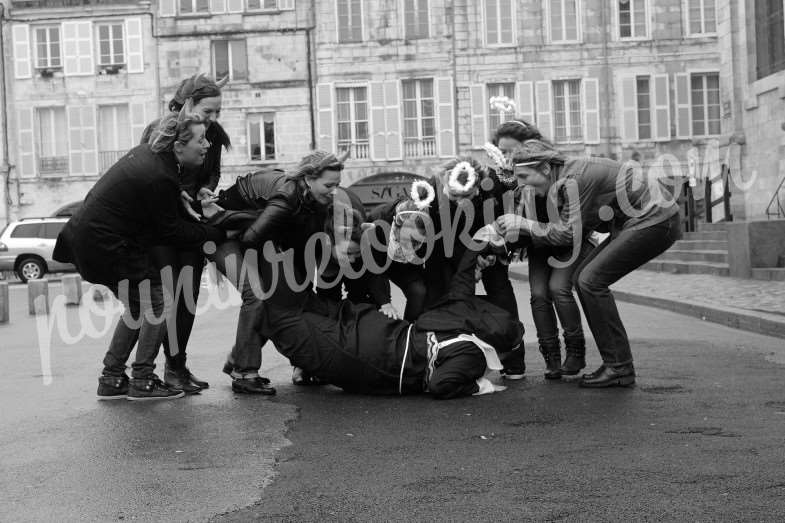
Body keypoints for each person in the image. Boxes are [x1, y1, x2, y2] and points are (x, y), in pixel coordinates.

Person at [53, 113, 226, 400]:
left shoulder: (151, 159)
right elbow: (169, 232)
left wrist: (179, 197)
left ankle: (111, 378)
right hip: (106, 246)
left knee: (138, 307)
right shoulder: (159, 174)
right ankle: (142, 379)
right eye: (201, 139)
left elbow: (157, 213)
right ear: (178, 145)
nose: (207, 145)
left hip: (89, 241)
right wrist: (213, 232)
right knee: (160, 302)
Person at [496, 140, 682, 388]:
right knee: (585, 279)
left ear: (544, 169)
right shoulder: (566, 176)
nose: (520, 183)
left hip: (656, 219)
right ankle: (618, 365)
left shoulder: (573, 180)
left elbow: (567, 234)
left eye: (523, 175)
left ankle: (619, 367)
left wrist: (525, 224)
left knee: (590, 281)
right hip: (646, 219)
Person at [257, 235, 525, 398]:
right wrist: (480, 386)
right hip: (375, 361)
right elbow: (441, 385)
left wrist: (480, 244)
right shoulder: (474, 356)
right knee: (286, 324)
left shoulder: (463, 312)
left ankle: (262, 254)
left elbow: (464, 277)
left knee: (301, 306)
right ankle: (260, 274)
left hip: (379, 327)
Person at [209, 151, 346, 389]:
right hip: (223, 232)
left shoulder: (318, 201)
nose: (334, 190)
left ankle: (238, 358)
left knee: (283, 296)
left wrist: (301, 285)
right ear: (309, 178)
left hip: (257, 235)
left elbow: (304, 248)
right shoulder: (287, 197)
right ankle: (244, 373)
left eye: (338, 185)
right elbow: (251, 239)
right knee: (257, 295)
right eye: (329, 185)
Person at [136, 73, 232, 394]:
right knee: (168, 298)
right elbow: (147, 173)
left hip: (192, 223)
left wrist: (206, 190)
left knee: (187, 298)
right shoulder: (158, 130)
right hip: (162, 225)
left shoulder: (213, 134)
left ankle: (176, 367)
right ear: (189, 103)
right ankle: (148, 370)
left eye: (218, 112)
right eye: (209, 111)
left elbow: (213, 171)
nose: (214, 119)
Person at [489, 122, 590, 380]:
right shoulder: (503, 178)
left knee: (558, 289)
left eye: (512, 151)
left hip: (566, 242)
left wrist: (522, 222)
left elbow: (568, 224)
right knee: (538, 294)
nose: (508, 158)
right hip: (539, 246)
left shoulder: (551, 169)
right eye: (503, 151)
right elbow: (508, 219)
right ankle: (552, 357)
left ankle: (576, 352)